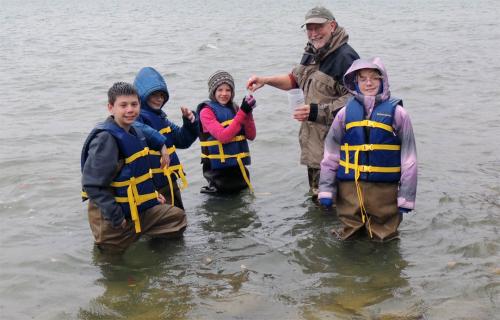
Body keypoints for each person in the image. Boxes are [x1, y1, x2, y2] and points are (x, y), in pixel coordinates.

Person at [246, 6, 359, 200]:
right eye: (309, 28)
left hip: (338, 150)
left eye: (318, 27)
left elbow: (358, 101)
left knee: (336, 207)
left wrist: (315, 111)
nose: (314, 33)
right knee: (319, 204)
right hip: (314, 148)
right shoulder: (312, 52)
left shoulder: (346, 57)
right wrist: (265, 80)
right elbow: (295, 80)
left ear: (332, 25)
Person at [318, 57, 417, 241]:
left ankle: (383, 268)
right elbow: (331, 154)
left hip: (384, 191)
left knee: (385, 239)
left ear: (383, 80)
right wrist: (326, 188)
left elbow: (409, 159)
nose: (368, 83)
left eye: (374, 77)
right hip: (349, 190)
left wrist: (406, 197)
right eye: (362, 79)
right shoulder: (345, 113)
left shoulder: (398, 114)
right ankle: (350, 266)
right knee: (349, 237)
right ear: (355, 82)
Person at [81, 82, 187, 251]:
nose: (130, 110)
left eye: (134, 104)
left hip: (137, 212)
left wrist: (152, 197)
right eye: (123, 105)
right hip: (114, 221)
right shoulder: (105, 140)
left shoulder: (135, 131)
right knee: (115, 267)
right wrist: (116, 217)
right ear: (111, 107)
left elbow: (137, 173)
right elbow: (92, 186)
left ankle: (154, 258)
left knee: (176, 218)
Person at [133, 67, 199, 210]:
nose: (159, 98)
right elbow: (136, 128)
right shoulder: (136, 117)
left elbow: (183, 140)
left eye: (162, 95)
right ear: (142, 95)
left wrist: (190, 122)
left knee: (179, 222)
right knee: (167, 226)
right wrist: (161, 142)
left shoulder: (162, 118)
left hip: (170, 182)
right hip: (154, 187)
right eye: (154, 94)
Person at [196, 70, 257, 194]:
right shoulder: (206, 112)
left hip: (239, 171)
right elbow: (223, 137)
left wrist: (248, 112)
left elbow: (251, 135)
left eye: (228, 90)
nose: (224, 94)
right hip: (218, 175)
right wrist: (243, 112)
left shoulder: (235, 108)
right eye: (220, 90)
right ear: (213, 91)